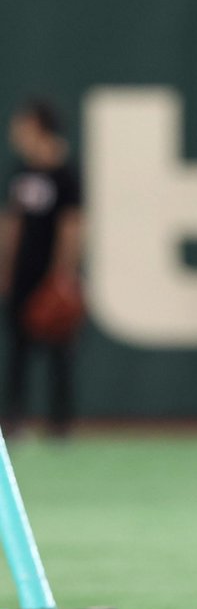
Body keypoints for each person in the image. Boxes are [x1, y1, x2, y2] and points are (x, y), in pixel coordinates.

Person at [0, 99, 85, 440]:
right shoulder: (21, 171)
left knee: (59, 351)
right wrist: (5, 268)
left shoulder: (64, 173)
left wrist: (63, 273)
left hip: (50, 274)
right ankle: (14, 419)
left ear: (37, 126)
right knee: (17, 350)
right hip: (23, 272)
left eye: (22, 125)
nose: (16, 133)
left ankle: (60, 423)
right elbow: (12, 222)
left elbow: (72, 225)